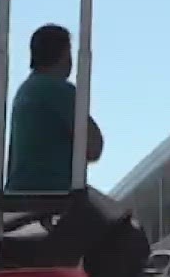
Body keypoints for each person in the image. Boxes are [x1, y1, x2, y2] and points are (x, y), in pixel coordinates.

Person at [6, 24, 104, 193]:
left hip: (18, 191)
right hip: (53, 194)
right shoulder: (60, 90)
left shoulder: (26, 89)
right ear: (65, 55)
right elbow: (94, 147)